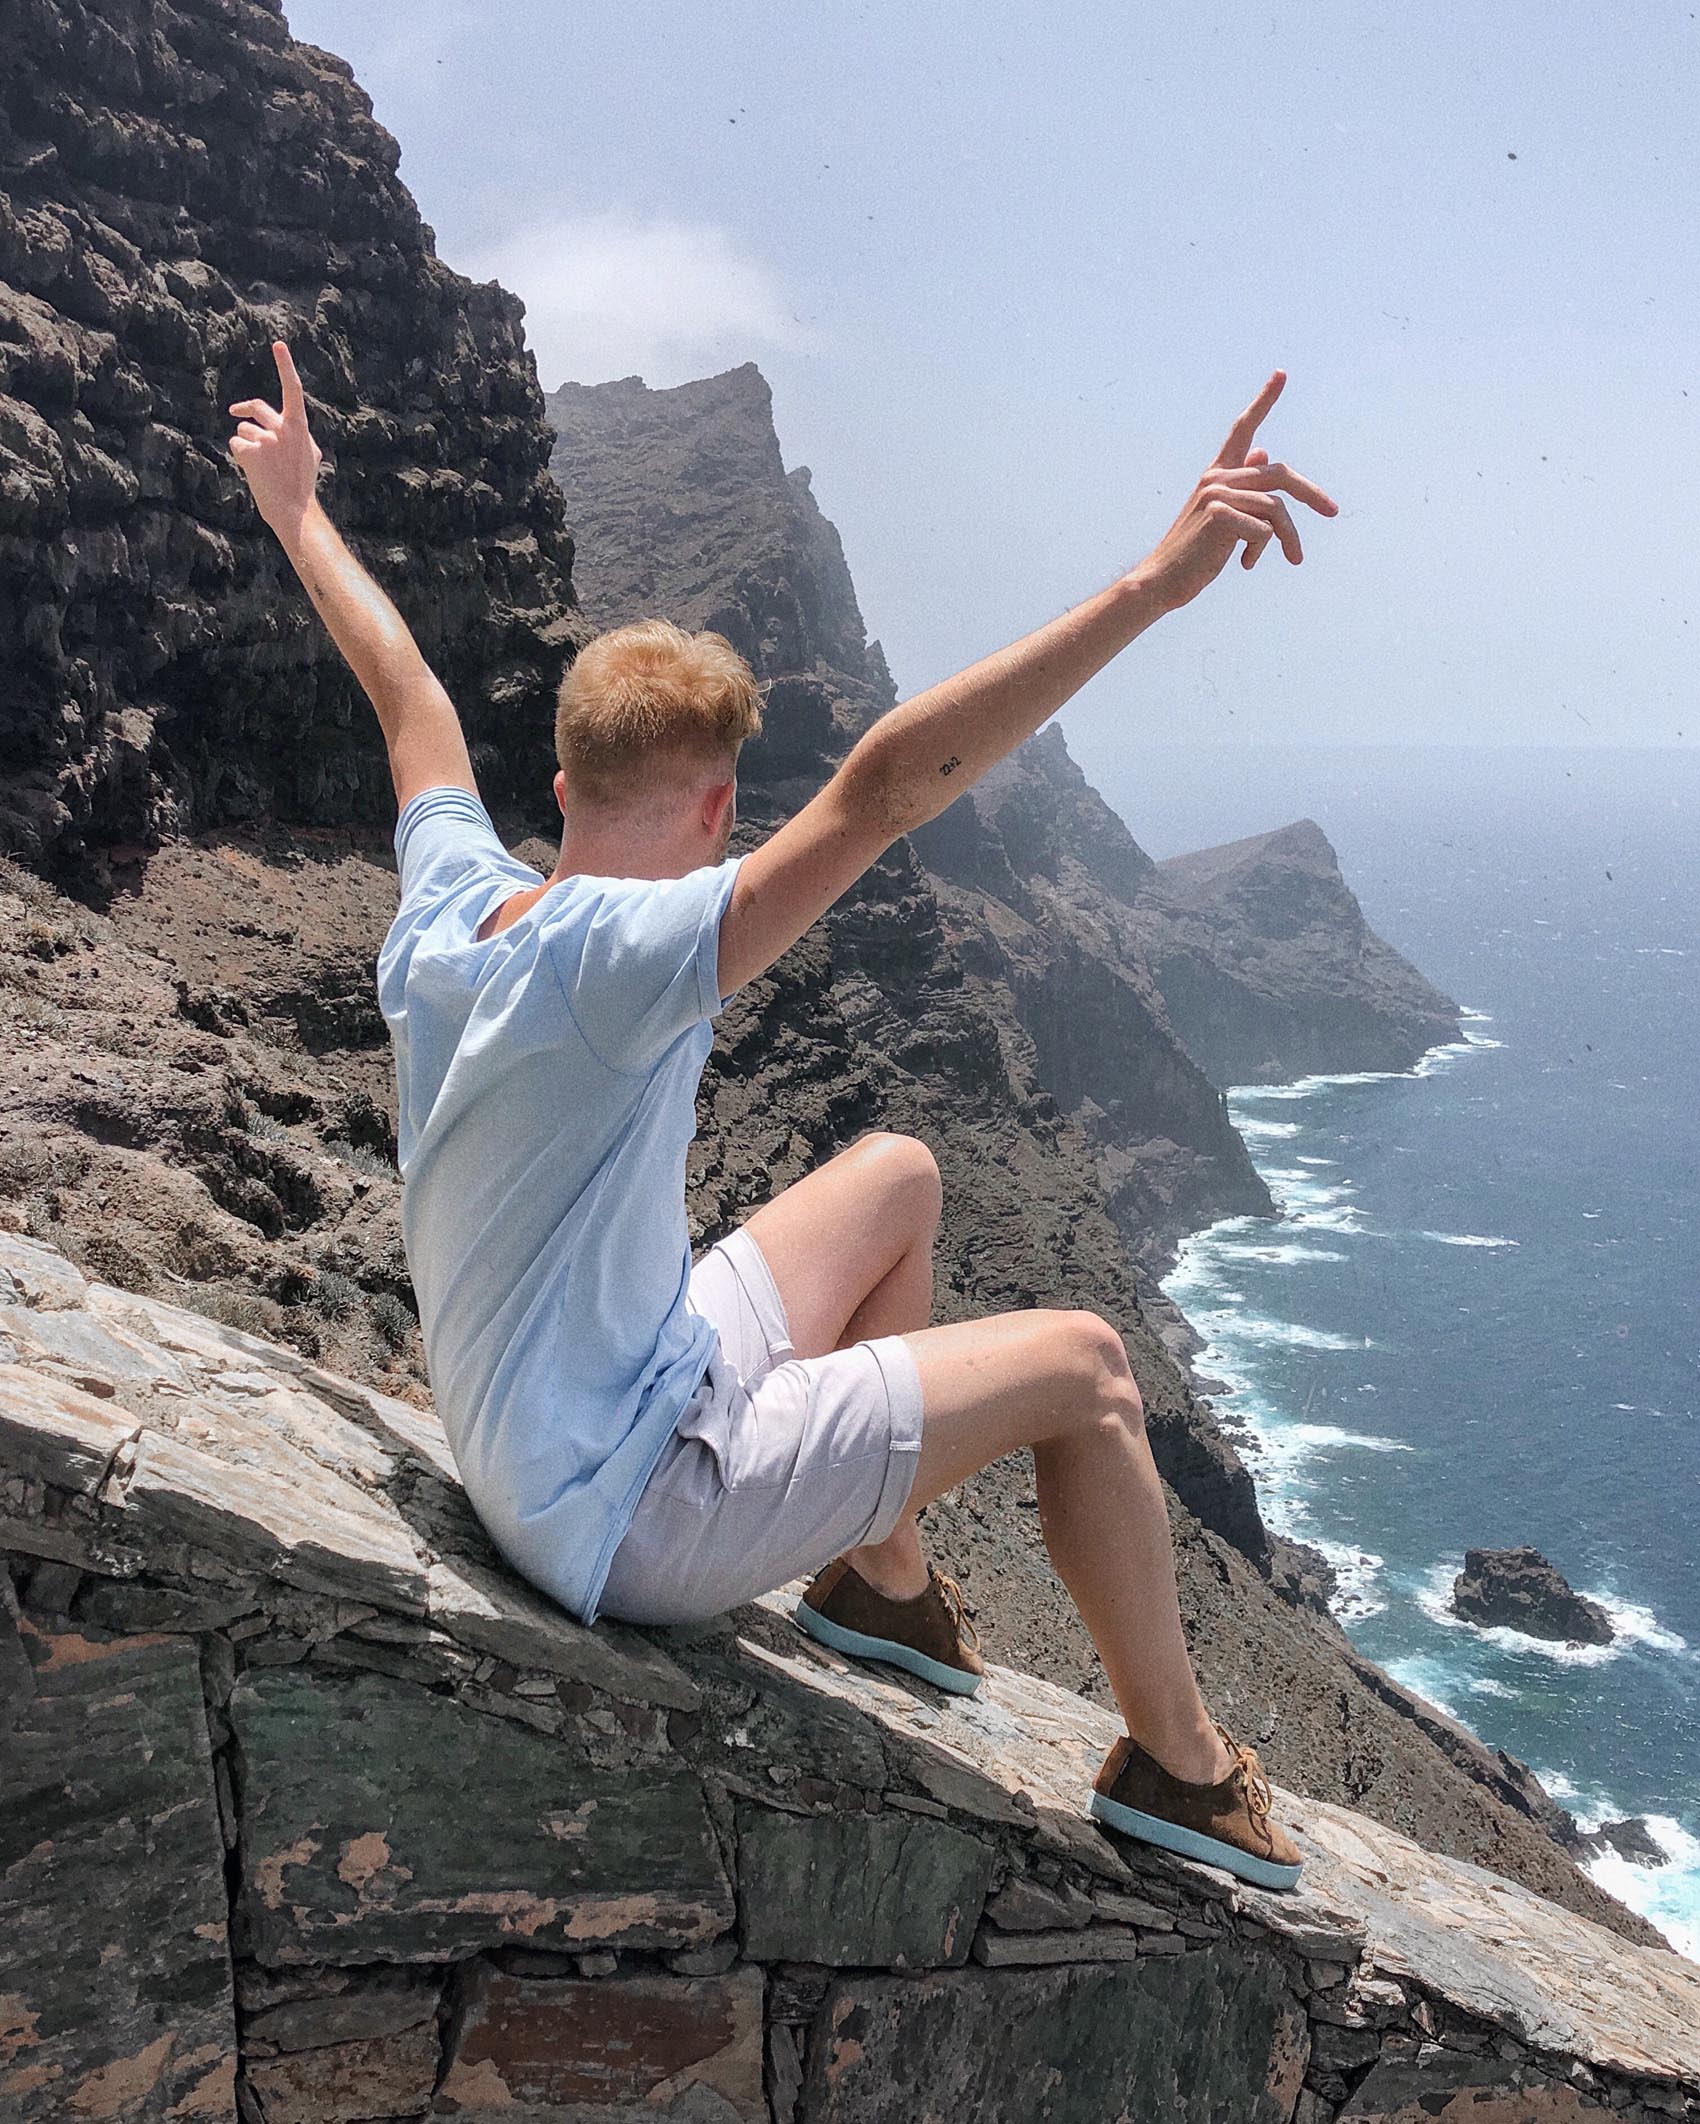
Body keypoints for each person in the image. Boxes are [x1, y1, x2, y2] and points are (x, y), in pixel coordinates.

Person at [228, 341, 1335, 1891]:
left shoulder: (451, 906)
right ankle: (1187, 1770)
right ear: (715, 811)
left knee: (900, 1172)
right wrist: (1151, 587)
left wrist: (297, 510)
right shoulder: (641, 954)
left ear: (556, 779)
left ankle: (882, 1587)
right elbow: (884, 788)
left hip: (567, 1416)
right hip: (624, 1513)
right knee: (1088, 1371)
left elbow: (403, 684)